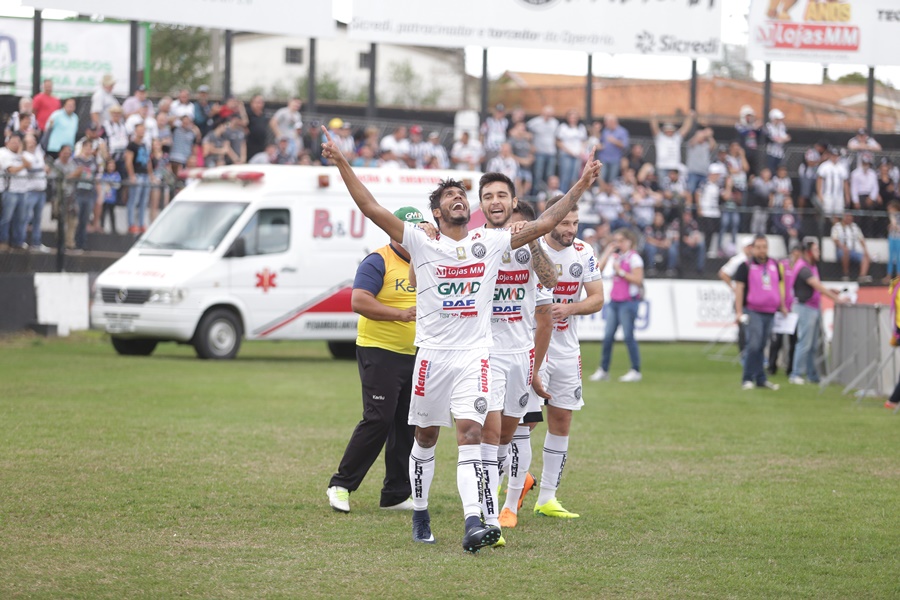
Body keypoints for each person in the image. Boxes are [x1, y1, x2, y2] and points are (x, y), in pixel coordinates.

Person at [320, 126, 600, 552]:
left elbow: (543, 221)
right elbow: (370, 206)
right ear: (435, 212)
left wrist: (580, 186)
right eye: (449, 195)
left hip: (475, 356)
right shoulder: (419, 241)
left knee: (470, 432)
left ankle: (474, 523)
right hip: (432, 356)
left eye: (461, 195)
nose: (458, 198)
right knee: (426, 438)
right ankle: (420, 512)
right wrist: (342, 162)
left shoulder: (487, 242)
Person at [326, 207, 429, 515]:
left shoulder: (427, 261)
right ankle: (341, 485)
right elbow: (358, 300)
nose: (414, 238)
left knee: (406, 423)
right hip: (379, 350)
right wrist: (400, 315)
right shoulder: (378, 260)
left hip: (416, 353)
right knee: (378, 419)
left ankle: (396, 493)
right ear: (394, 232)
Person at [476, 175, 557, 540]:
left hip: (520, 356)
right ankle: (487, 509)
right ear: (482, 205)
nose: (496, 202)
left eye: (502, 196)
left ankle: (508, 504)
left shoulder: (529, 250)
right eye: (488, 196)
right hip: (483, 354)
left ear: (513, 203)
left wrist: (534, 240)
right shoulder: (476, 243)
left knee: (512, 434)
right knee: (486, 433)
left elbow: (551, 281)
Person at [529, 193, 604, 519]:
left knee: (562, 420)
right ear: (550, 219)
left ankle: (547, 497)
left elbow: (598, 299)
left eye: (575, 222)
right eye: (564, 222)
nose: (571, 229)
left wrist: (570, 307)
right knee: (521, 423)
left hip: (566, 351)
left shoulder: (584, 252)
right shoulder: (531, 248)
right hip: (530, 347)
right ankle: (511, 481)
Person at [788, 238, 848, 385]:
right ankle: (796, 373)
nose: (819, 252)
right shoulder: (803, 268)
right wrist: (836, 298)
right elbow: (817, 286)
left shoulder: (810, 266)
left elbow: (817, 285)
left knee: (813, 345)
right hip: (805, 308)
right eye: (816, 249)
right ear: (808, 252)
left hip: (812, 307)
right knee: (805, 343)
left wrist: (829, 290)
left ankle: (812, 375)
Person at [733, 235, 787, 390]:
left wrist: (782, 305)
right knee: (754, 344)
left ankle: (760, 378)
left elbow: (779, 286)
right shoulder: (745, 266)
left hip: (770, 311)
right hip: (753, 310)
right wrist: (738, 311)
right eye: (758, 247)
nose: (761, 250)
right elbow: (739, 290)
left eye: (764, 246)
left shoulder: (775, 265)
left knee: (763, 345)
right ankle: (747, 377)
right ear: (752, 248)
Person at [592, 227, 643, 382]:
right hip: (615, 301)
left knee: (628, 337)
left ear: (629, 241)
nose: (618, 244)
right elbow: (598, 269)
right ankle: (604, 369)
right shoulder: (617, 257)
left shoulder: (634, 258)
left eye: (621, 240)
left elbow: (638, 280)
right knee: (608, 337)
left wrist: (620, 272)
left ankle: (635, 370)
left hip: (628, 302)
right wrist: (608, 251)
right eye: (616, 241)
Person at [0, 133, 31, 251]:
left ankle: (17, 242)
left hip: (23, 190)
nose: (16, 144)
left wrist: (20, 154)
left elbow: (30, 165)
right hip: (10, 190)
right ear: (7, 143)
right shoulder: (3, 153)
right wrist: (23, 165)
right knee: (6, 217)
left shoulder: (22, 154)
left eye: (18, 142)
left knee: (21, 218)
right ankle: (3, 240)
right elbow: (11, 170)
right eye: (13, 142)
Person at [124, 123, 151, 234]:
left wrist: (151, 175)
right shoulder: (131, 145)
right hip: (137, 175)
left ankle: (141, 224)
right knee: (133, 200)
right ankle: (131, 224)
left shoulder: (144, 145)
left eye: (143, 130)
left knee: (144, 201)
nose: (141, 132)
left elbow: (148, 161)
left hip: (145, 175)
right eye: (139, 130)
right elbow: (128, 161)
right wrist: (132, 175)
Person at [649, 110, 695, 174]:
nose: (669, 131)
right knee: (663, 183)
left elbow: (685, 128)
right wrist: (653, 117)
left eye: (671, 130)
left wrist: (690, 117)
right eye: (668, 130)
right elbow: (654, 127)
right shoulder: (660, 137)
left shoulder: (676, 138)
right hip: (662, 166)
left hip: (674, 167)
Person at [830, 212, 871, 283]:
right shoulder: (837, 227)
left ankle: (862, 276)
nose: (849, 219)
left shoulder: (855, 227)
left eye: (851, 217)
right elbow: (835, 239)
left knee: (865, 256)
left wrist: (866, 250)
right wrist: (843, 247)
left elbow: (861, 239)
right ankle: (846, 274)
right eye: (848, 217)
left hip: (853, 251)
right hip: (841, 250)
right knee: (845, 252)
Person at [527, 105, 560, 190]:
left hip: (551, 152)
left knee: (549, 176)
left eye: (550, 114)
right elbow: (526, 130)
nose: (548, 116)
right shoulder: (535, 122)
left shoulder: (555, 123)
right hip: (539, 152)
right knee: (538, 175)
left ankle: (548, 195)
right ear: (543, 113)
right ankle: (536, 195)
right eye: (547, 113)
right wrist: (531, 145)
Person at [597, 114, 629, 184]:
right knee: (601, 178)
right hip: (603, 158)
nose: (606, 124)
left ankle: (611, 194)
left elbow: (624, 145)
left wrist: (614, 141)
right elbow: (601, 142)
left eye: (607, 122)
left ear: (612, 122)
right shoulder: (605, 131)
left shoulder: (622, 131)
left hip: (615, 159)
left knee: (612, 180)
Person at [887, 201, 900, 283]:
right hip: (892, 237)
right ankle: (889, 276)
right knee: (891, 257)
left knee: (898, 258)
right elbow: (891, 227)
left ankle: (898, 276)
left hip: (898, 238)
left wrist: (893, 222)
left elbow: (896, 226)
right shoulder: (891, 216)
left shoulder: (896, 216)